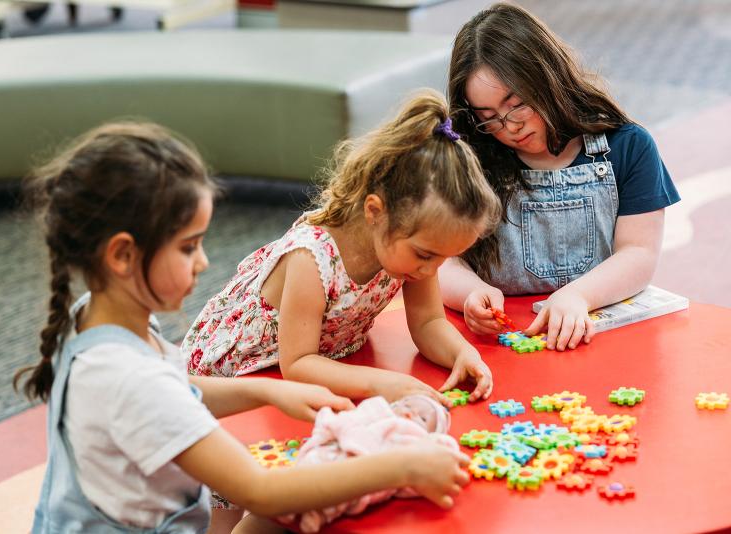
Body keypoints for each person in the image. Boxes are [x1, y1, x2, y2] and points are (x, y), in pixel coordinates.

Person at [13, 122, 471, 534]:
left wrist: (267, 393)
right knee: (289, 509)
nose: (204, 262)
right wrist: (403, 466)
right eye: (188, 247)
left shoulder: (95, 316)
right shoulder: (132, 381)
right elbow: (261, 491)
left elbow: (177, 388)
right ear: (121, 255)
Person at [182, 89, 502, 405]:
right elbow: (297, 363)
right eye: (426, 255)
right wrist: (381, 383)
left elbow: (428, 322)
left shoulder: (411, 249)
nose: (431, 270)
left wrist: (463, 353)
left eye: (443, 258)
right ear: (375, 212)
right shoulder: (311, 258)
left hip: (316, 365)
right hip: (238, 377)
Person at [439, 3, 680, 351]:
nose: (510, 126)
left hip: (597, 332)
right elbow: (442, 261)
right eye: (488, 117)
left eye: (517, 103)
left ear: (547, 78)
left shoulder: (628, 146)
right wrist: (470, 293)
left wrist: (579, 296)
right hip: (498, 341)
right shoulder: (468, 156)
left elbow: (639, 253)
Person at [282, 395, 459, 533]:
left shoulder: (414, 441)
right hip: (340, 449)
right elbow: (350, 419)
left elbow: (410, 482)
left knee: (343, 492)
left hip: (367, 476)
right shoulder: (376, 418)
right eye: (407, 405)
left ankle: (318, 514)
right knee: (315, 464)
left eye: (422, 418)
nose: (409, 413)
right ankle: (290, 497)